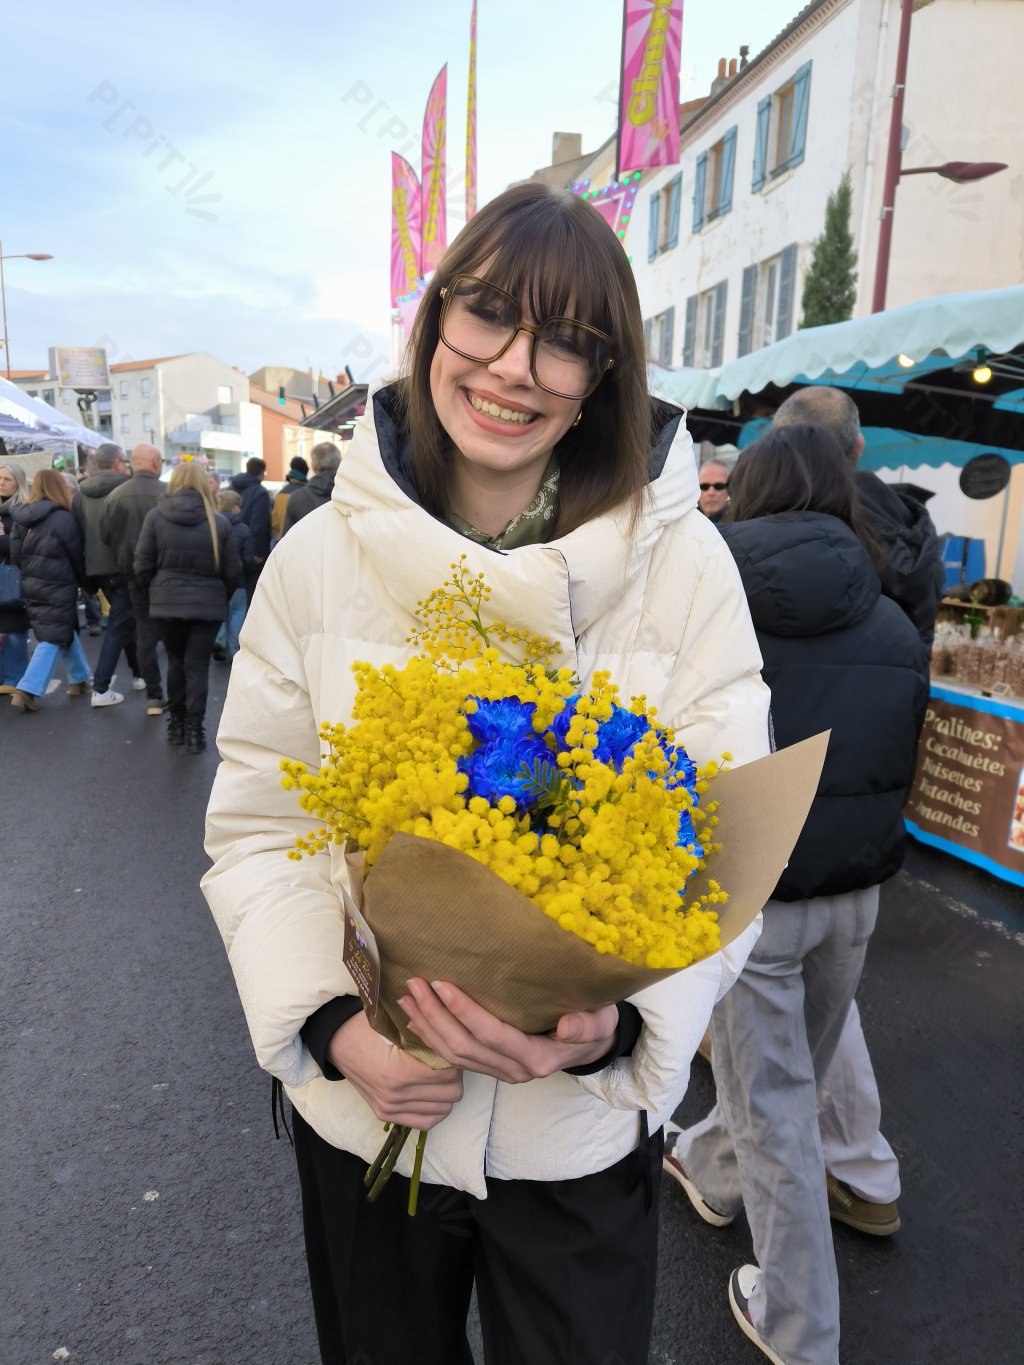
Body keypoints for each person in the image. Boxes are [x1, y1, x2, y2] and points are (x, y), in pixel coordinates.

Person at [202, 182, 772, 1365]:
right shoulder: (320, 559)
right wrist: (327, 1026)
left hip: (573, 1140)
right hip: (371, 1113)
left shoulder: (684, 568)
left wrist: (614, 1031)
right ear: (432, 320)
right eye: (490, 318)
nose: (516, 368)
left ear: (602, 372)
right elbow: (264, 823)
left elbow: (725, 847)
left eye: (566, 339)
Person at [665, 425, 927, 1365]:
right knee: (788, 1085)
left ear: (752, 487)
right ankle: (709, 1167)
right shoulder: (894, 619)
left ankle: (799, 1322)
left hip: (753, 888)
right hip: (855, 896)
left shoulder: (713, 590)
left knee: (775, 1102)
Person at [772, 384, 941, 1235]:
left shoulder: (767, 543)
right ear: (859, 449)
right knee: (815, 1017)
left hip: (774, 831)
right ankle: (861, 1165)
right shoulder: (906, 536)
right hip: (862, 816)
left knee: (776, 1061)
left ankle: (856, 1171)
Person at [773, 385, 944, 651]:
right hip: (893, 690)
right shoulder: (914, 536)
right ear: (859, 447)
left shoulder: (765, 526)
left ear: (774, 446)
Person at [134, 462, 242, 754]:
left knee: (176, 662)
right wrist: (218, 596)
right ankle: (196, 729)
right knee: (197, 668)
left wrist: (156, 592)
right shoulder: (218, 522)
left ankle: (176, 723)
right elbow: (233, 573)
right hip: (207, 606)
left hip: (167, 604)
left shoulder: (156, 517)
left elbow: (142, 565)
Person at [8, 469, 92, 710]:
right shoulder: (64, 518)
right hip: (59, 585)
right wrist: (89, 585)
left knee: (60, 629)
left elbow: (16, 557)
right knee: (52, 636)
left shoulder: (21, 517)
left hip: (32, 585)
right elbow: (76, 556)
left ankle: (79, 679)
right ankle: (27, 689)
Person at [73, 441, 143, 708]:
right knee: (119, 624)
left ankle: (139, 675)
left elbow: (76, 535)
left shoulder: (80, 494)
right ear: (116, 463)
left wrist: (85, 576)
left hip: (96, 568)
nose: (126, 466)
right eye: (125, 462)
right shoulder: (127, 490)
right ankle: (101, 688)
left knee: (124, 621)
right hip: (124, 566)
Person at [100, 443, 167, 715]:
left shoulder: (116, 496)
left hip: (132, 574)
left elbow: (105, 537)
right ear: (153, 462)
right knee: (173, 635)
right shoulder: (167, 493)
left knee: (144, 634)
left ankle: (154, 694)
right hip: (166, 574)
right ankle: (178, 694)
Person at [0, 462, 32, 693]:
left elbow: (23, 548)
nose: (1, 483)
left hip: (13, 578)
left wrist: (2, 538)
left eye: (7, 479)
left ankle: (15, 680)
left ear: (18, 482)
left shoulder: (23, 510)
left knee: (13, 631)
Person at [212, 489, 255, 660]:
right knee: (237, 613)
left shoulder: (212, 525)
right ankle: (234, 649)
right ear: (236, 507)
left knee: (220, 612)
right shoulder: (244, 529)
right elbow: (248, 558)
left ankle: (219, 640)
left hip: (216, 580)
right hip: (239, 580)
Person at [230, 457, 271, 601]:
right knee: (252, 595)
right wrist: (258, 552)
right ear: (261, 473)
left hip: (231, 548)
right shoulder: (260, 493)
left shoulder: (231, 488)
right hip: (252, 555)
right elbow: (259, 525)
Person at [281, 442, 340, 533]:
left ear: (312, 466)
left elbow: (285, 541)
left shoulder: (296, 498)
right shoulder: (353, 496)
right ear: (339, 463)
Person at [270, 455, 309, 542]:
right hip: (303, 541)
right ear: (305, 471)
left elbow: (275, 523)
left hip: (282, 541)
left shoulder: (280, 494)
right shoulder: (308, 493)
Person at [697, 459, 731, 523]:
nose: (711, 493)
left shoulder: (741, 523)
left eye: (718, 486)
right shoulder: (683, 522)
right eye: (704, 486)